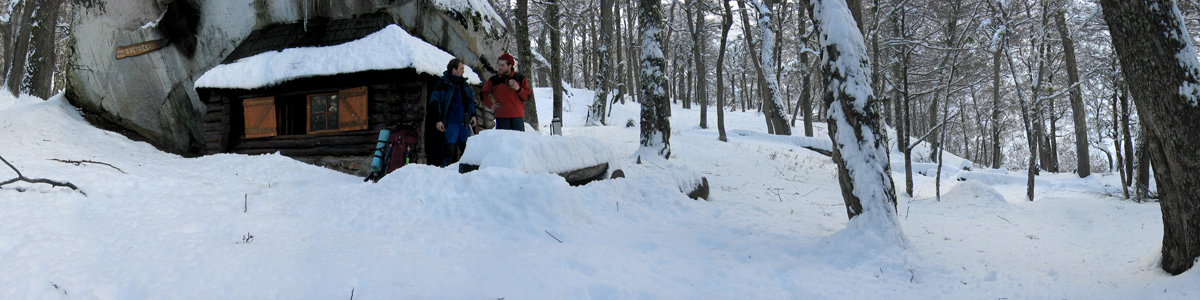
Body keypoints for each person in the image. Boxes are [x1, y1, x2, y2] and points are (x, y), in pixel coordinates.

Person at [429, 58, 477, 167]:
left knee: (467, 150)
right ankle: (446, 173)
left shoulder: (464, 85)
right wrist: (438, 120)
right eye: (461, 69)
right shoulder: (443, 84)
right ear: (454, 70)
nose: (463, 71)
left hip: (465, 123)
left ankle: (468, 174)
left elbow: (470, 101)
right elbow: (434, 103)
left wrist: (473, 115)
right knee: (448, 151)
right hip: (451, 122)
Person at [481, 53, 533, 131]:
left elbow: (528, 96)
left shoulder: (520, 78)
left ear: (510, 66)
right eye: (499, 65)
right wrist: (491, 105)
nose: (500, 67)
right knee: (503, 142)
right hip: (502, 117)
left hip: (517, 117)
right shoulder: (494, 80)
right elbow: (482, 94)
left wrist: (518, 89)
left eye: (502, 65)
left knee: (518, 142)